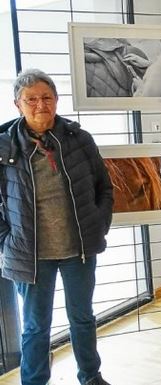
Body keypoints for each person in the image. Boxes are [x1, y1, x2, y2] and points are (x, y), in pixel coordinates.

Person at [0, 69, 113, 385]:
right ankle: (34, 381)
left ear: (56, 100)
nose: (40, 105)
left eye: (46, 97)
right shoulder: (4, 148)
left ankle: (90, 376)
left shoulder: (79, 140)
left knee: (83, 318)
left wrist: (98, 224)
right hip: (29, 254)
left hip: (77, 249)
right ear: (17, 104)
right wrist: (5, 241)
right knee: (36, 325)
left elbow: (104, 188)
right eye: (31, 99)